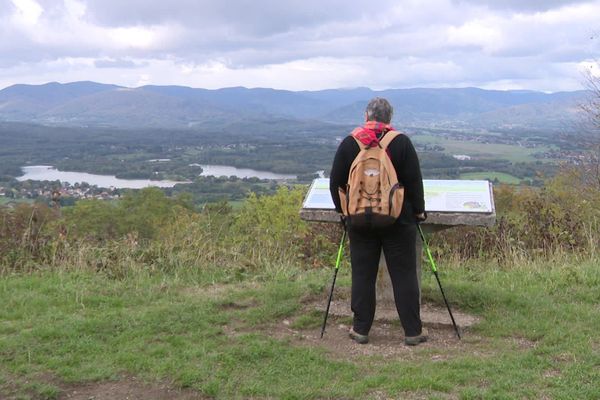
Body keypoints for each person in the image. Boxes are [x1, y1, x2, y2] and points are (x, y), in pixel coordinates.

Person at [329, 97, 427, 346]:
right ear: (389, 118)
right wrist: (418, 213)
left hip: (359, 220)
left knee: (363, 274)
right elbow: (414, 181)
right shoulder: (401, 142)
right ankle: (412, 332)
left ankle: (361, 329)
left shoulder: (351, 142)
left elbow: (336, 181)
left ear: (366, 116)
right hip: (397, 220)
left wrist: (344, 213)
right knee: (404, 274)